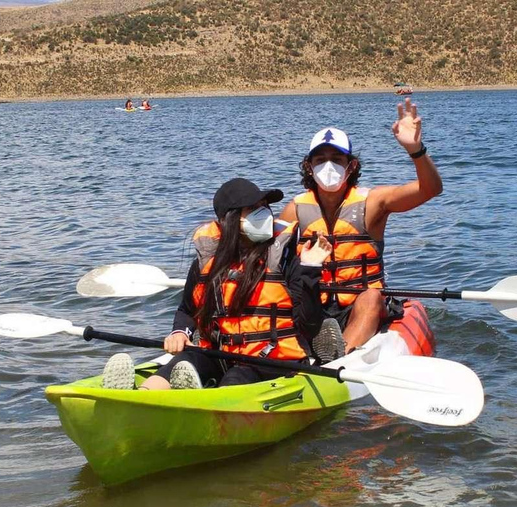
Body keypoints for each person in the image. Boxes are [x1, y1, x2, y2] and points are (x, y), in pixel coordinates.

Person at [101, 177, 333, 390]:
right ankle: (140, 395)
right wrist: (180, 332)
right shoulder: (207, 263)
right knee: (186, 360)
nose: (264, 214)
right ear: (228, 220)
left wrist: (310, 269)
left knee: (238, 377)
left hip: (272, 362)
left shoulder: (285, 258)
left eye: (264, 207)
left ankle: (198, 404)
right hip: (223, 355)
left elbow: (308, 325)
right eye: (252, 209)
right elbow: (187, 310)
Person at [278, 97, 442, 360]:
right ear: (309, 166)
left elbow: (430, 189)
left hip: (358, 304)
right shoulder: (294, 209)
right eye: (320, 159)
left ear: (351, 165)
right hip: (312, 305)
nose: (327, 165)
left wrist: (416, 150)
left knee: (370, 297)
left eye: (336, 158)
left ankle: (338, 357)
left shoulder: (374, 202)